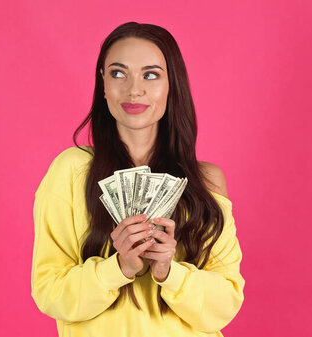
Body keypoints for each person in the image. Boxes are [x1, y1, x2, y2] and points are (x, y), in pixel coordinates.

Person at [31, 21, 245, 337]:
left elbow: (225, 304)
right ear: (102, 83)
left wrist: (168, 271)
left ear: (172, 84)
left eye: (150, 74)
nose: (134, 89)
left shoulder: (206, 180)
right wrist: (119, 268)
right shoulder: (71, 170)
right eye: (118, 73)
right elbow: (50, 292)